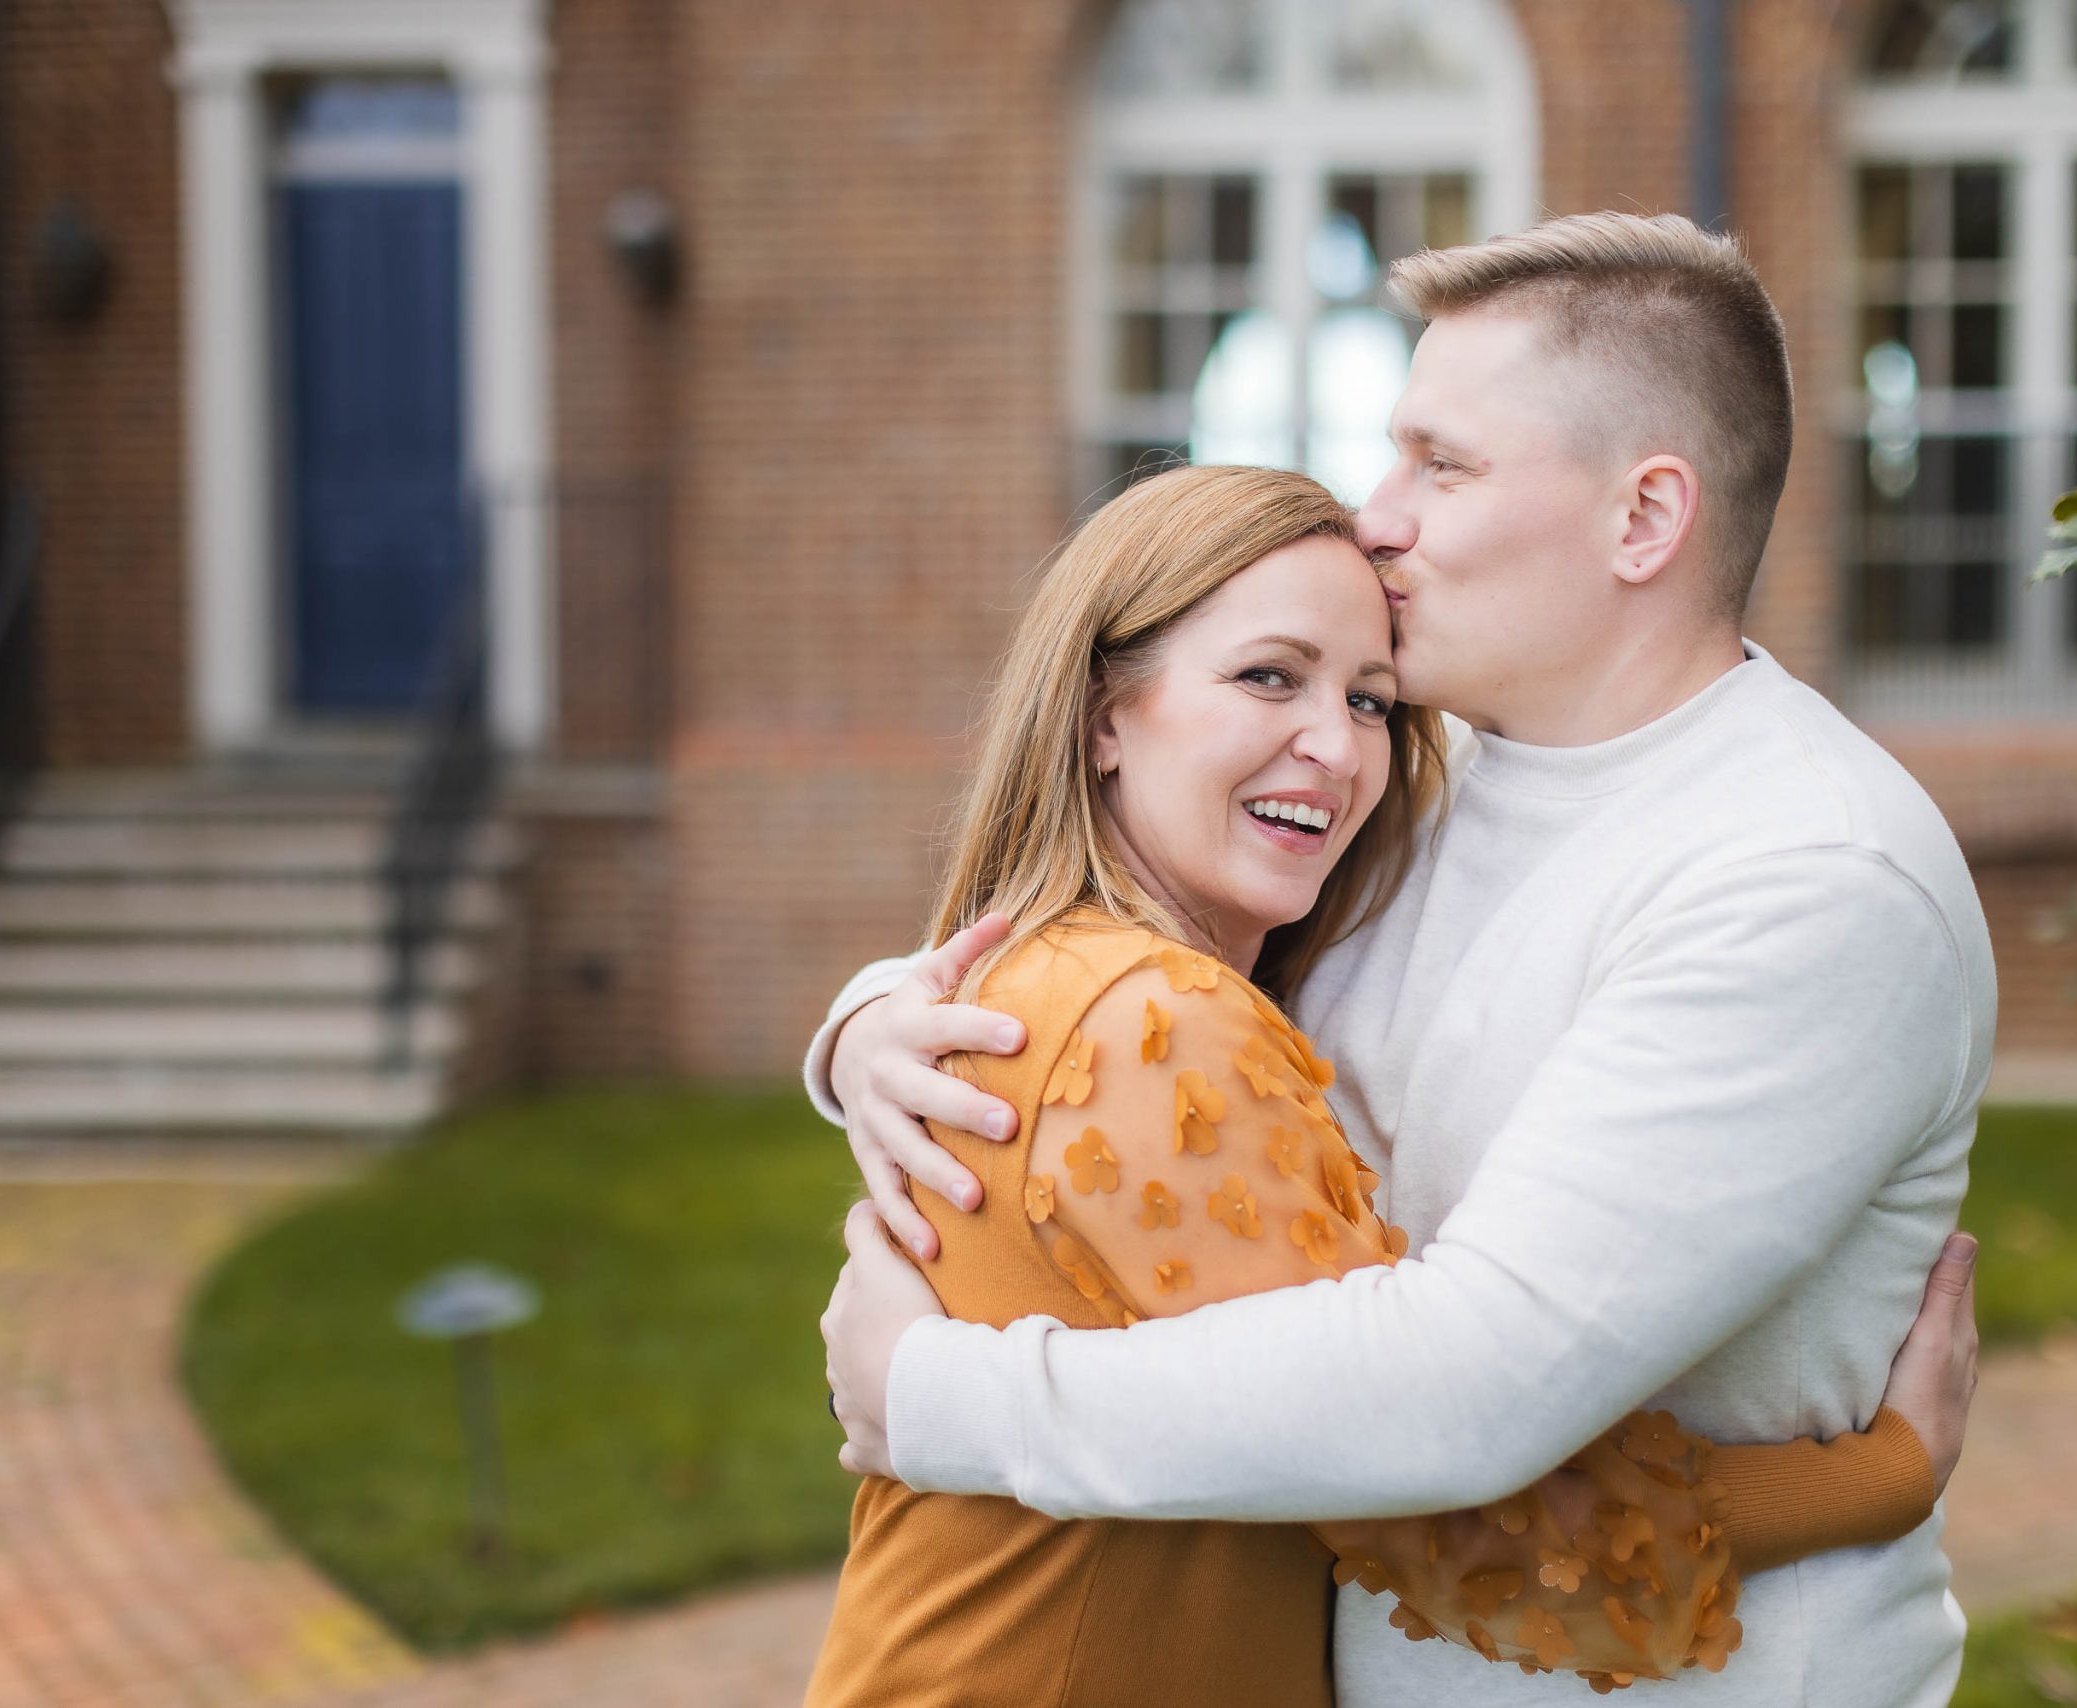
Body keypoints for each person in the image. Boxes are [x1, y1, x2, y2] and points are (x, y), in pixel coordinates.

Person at [814, 213, 1997, 1707]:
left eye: (1443, 465)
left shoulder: (1807, 877)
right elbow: (1112, 996)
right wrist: (876, 1026)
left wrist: (943, 1399)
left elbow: (1469, 1389)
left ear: (1644, 519)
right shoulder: (1413, 799)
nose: (1379, 520)